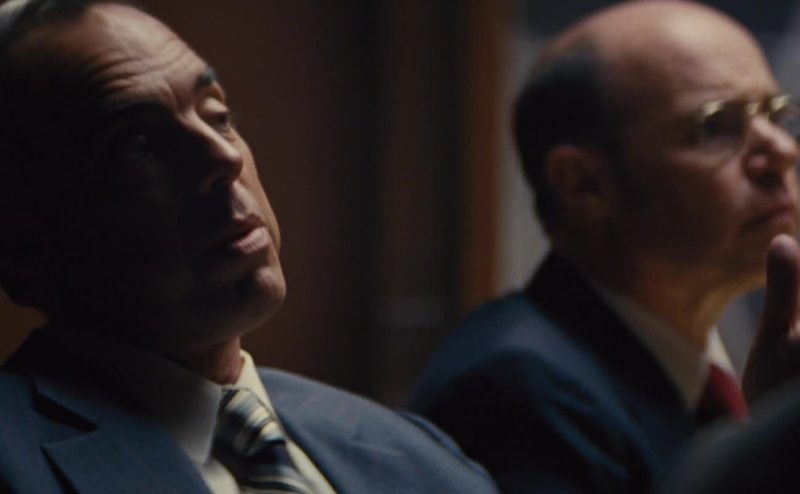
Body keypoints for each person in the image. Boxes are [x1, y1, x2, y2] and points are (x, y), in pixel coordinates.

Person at [0, 1, 497, 493]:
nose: (225, 156)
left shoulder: (418, 456)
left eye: (217, 115)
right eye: (140, 146)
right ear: (23, 247)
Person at [409, 0, 800, 492]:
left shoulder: (687, 357)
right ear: (584, 184)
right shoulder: (518, 393)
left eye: (775, 114)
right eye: (716, 126)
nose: (783, 151)